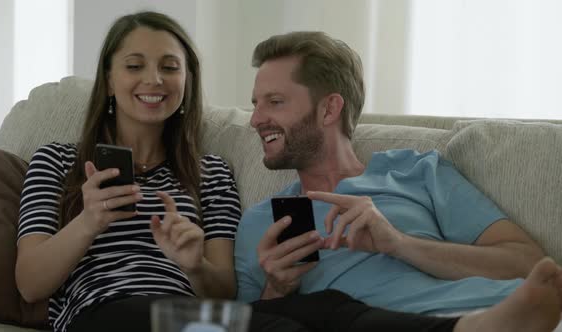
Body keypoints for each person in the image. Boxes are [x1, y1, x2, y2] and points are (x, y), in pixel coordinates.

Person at [235, 31, 562, 331]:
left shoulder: (417, 172)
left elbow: (527, 263)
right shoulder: (261, 223)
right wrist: (275, 288)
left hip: (506, 310)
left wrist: (398, 243)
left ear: (329, 109)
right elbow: (247, 323)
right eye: (255, 104)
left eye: (275, 102)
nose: (256, 119)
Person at [15, 12, 241, 332]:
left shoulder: (212, 172)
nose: (154, 79)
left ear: (187, 80)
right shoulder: (56, 161)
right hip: (102, 310)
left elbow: (225, 291)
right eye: (135, 66)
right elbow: (30, 284)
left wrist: (195, 266)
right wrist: (88, 221)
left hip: (186, 315)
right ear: (108, 80)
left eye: (169, 67)